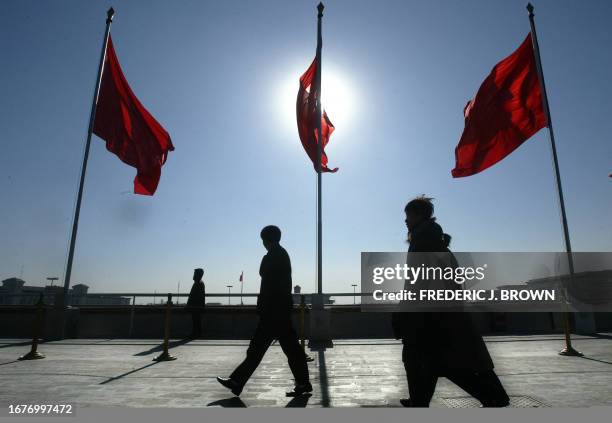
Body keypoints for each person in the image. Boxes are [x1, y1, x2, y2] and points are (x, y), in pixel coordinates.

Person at [392, 196, 509, 407]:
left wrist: (404, 311)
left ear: (418, 215)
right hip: (441, 313)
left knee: (436, 361)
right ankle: (419, 400)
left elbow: (417, 282)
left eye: (408, 215)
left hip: (431, 316)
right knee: (432, 360)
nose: (405, 220)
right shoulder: (433, 240)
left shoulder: (424, 242)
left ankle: (493, 397)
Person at [217, 226, 312, 397]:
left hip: (273, 312)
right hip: (278, 311)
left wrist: (265, 309)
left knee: (258, 350)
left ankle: (237, 381)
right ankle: (303, 383)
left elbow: (269, 283)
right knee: (289, 350)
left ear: (266, 239)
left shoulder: (273, 256)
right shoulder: (280, 254)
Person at [187, 268, 205, 338]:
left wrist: (189, 305)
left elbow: (194, 296)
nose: (193, 275)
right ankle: (197, 333)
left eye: (195, 273)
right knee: (196, 320)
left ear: (198, 275)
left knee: (196, 320)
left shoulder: (199, 283)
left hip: (196, 306)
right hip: (196, 306)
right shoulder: (199, 283)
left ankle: (196, 333)